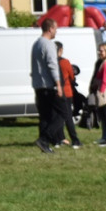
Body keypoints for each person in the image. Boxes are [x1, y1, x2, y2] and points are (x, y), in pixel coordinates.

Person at [30, 18, 62, 154]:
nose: (56, 31)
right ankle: (44, 139)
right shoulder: (48, 44)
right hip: (48, 86)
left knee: (45, 117)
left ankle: (44, 144)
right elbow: (52, 65)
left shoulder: (36, 44)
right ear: (50, 29)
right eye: (55, 28)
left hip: (38, 86)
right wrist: (58, 84)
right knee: (61, 115)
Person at [54, 41, 83, 149]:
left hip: (54, 92)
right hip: (66, 92)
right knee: (68, 117)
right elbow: (71, 75)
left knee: (57, 116)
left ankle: (58, 139)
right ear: (60, 50)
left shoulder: (50, 62)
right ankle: (75, 140)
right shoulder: (65, 62)